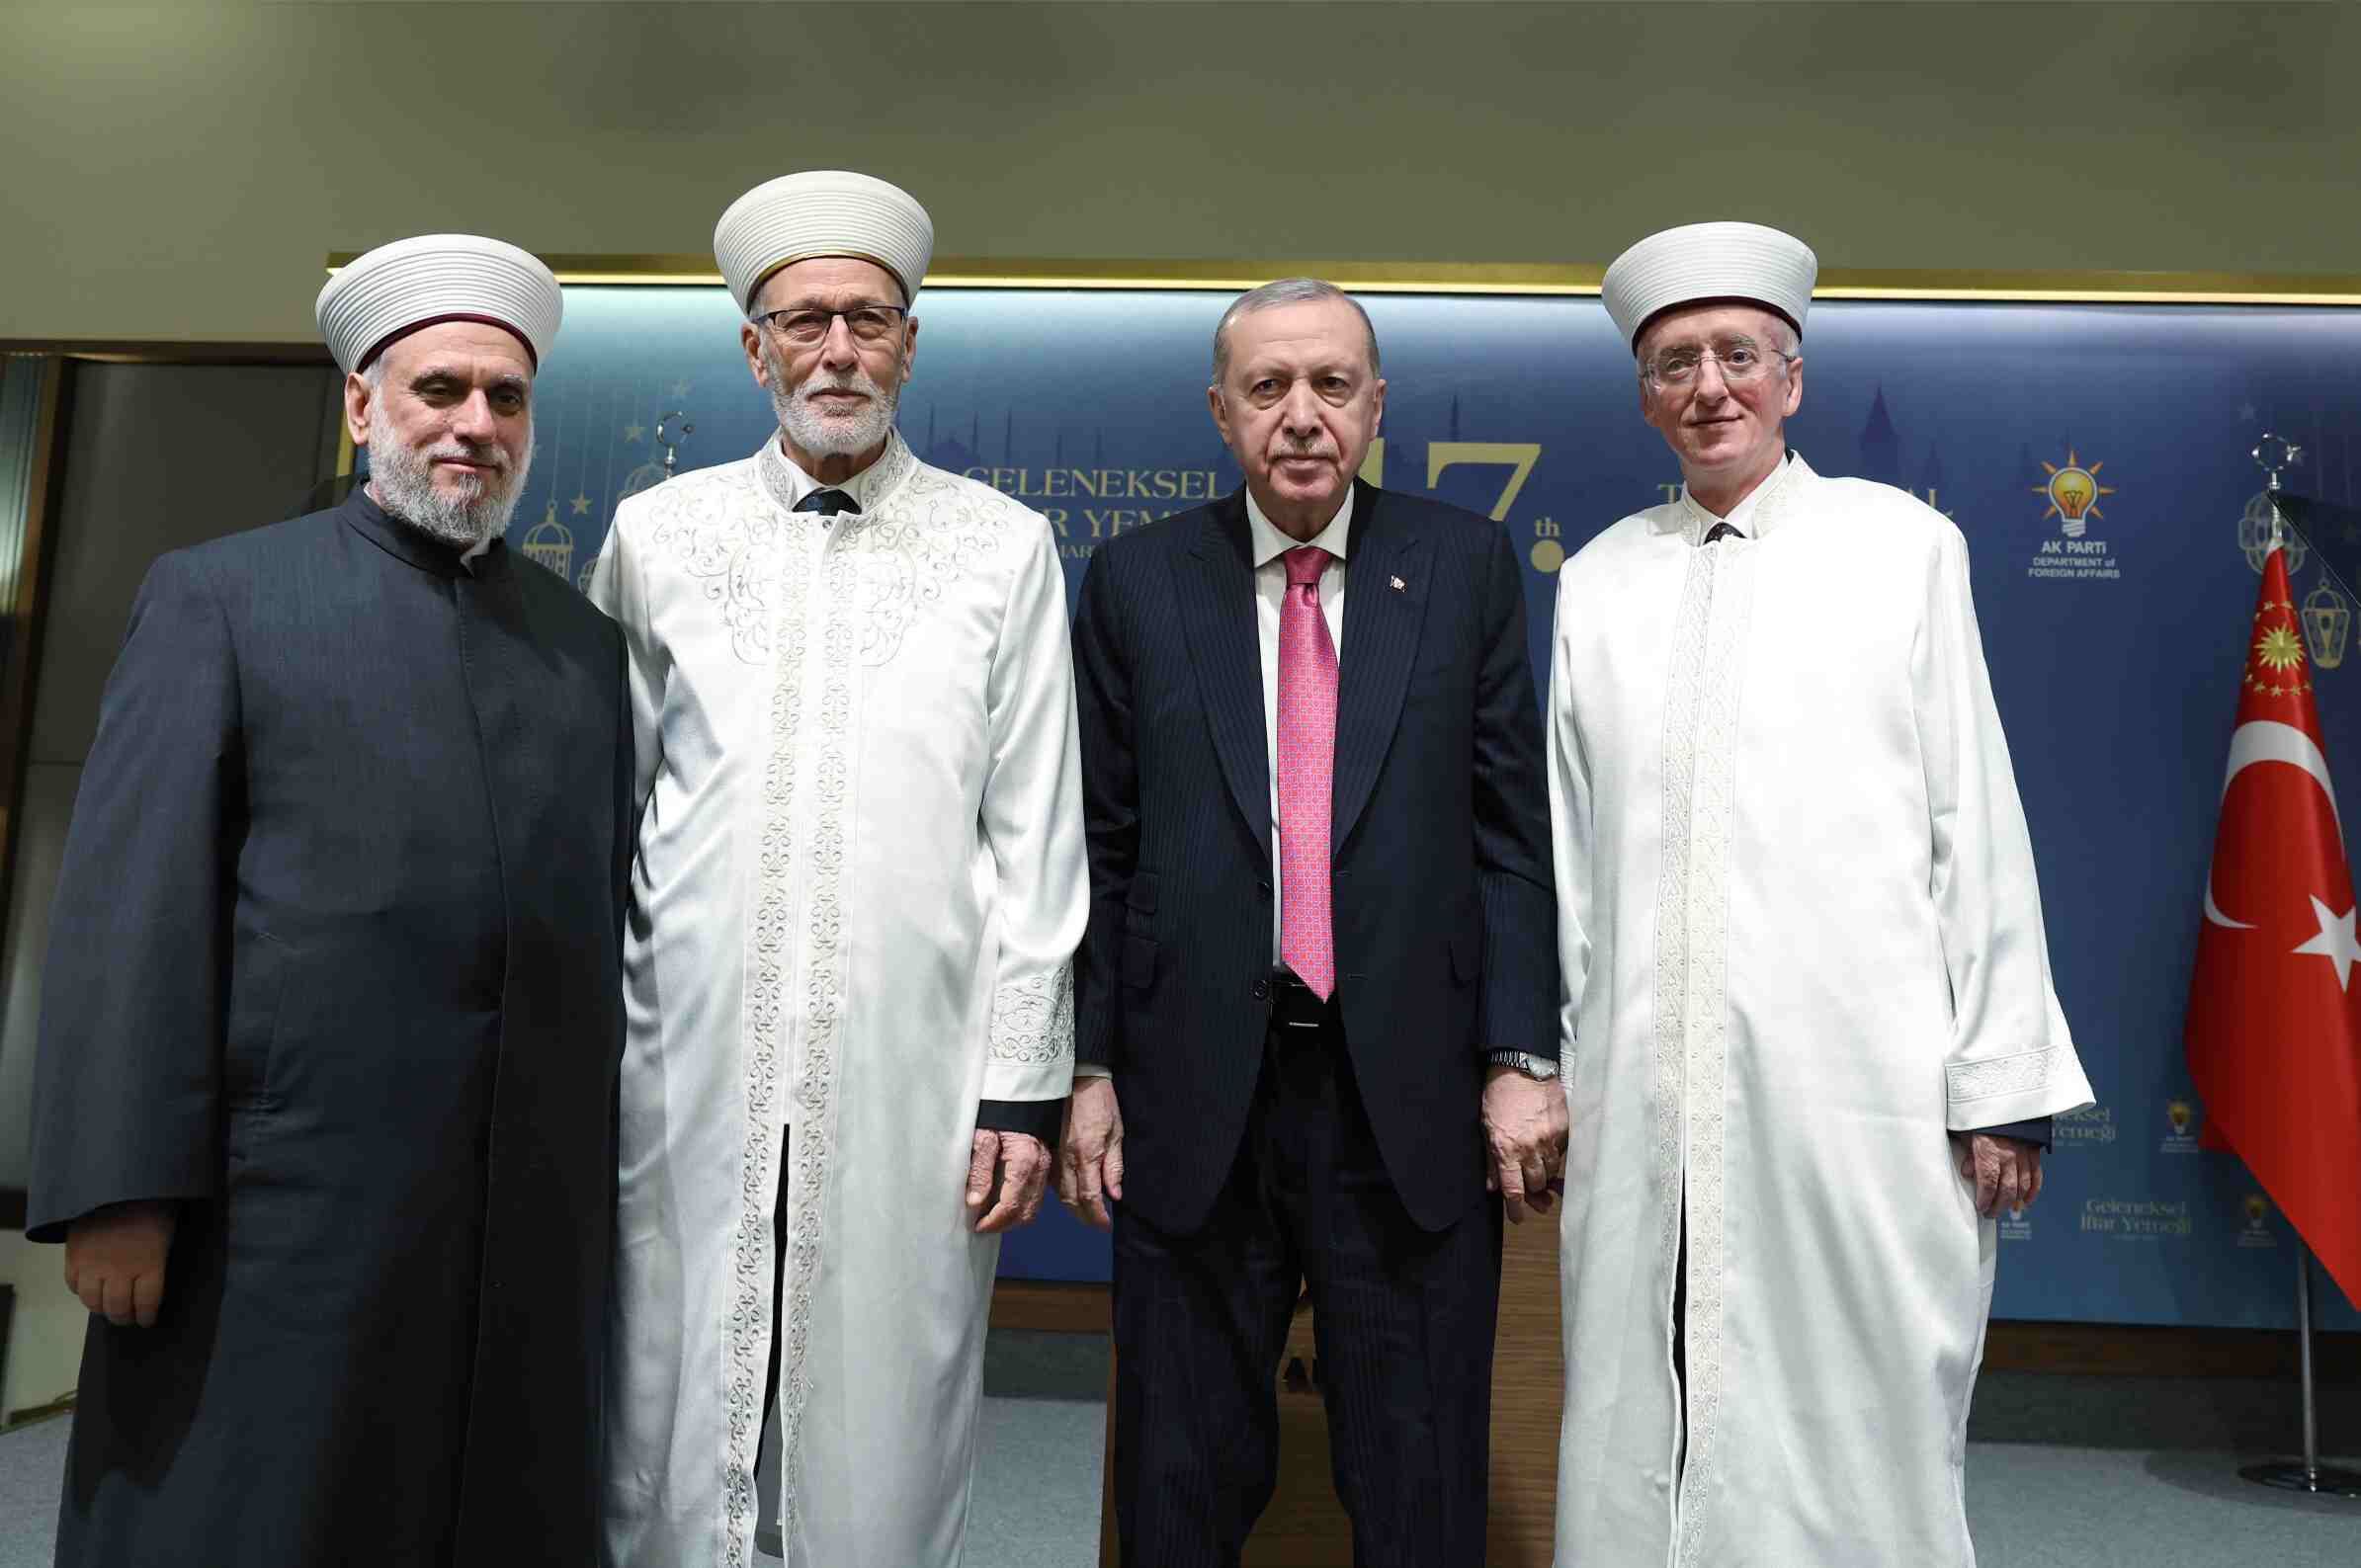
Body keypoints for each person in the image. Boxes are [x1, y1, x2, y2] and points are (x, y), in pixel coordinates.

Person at [27, 234, 630, 1567]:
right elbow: (132, 911)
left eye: (506, 397)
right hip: (277, 1213)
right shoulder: (223, 597)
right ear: (363, 406)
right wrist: (119, 1189)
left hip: (515, 1220)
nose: (475, 423)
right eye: (439, 390)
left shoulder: (582, 647)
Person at [1547, 221, 2094, 1567]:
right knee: (1646, 1395)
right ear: (1643, 396)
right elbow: (1570, 849)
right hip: (1647, 1088)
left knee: (1858, 1412)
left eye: (1738, 355)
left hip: (1859, 1091)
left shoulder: (1900, 547)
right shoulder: (1600, 579)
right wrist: (1562, 1065)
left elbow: (1973, 818)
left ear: (1792, 379)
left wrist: (2000, 1082)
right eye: (1675, 364)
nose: (1709, 387)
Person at [589, 170, 1086, 1568]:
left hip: (913, 1058)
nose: (838, 350)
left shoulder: (1003, 548)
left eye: (869, 320)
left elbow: (1036, 834)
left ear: (909, 344)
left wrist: (1021, 1086)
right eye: (804, 322)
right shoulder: (656, 536)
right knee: (664, 1374)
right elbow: (603, 808)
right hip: (684, 1047)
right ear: (754, 349)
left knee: (890, 1388)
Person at [1062, 277, 1560, 1566]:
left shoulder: (1461, 567)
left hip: (1404, 1098)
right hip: (1191, 1097)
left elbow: (1511, 836)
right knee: (1177, 1490)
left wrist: (1520, 1054)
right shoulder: (1136, 580)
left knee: (1417, 1491)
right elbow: (1101, 847)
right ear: (1220, 410)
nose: (1301, 415)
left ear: (1375, 405)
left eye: (1331, 385)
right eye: (1268, 387)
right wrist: (1092, 1065)